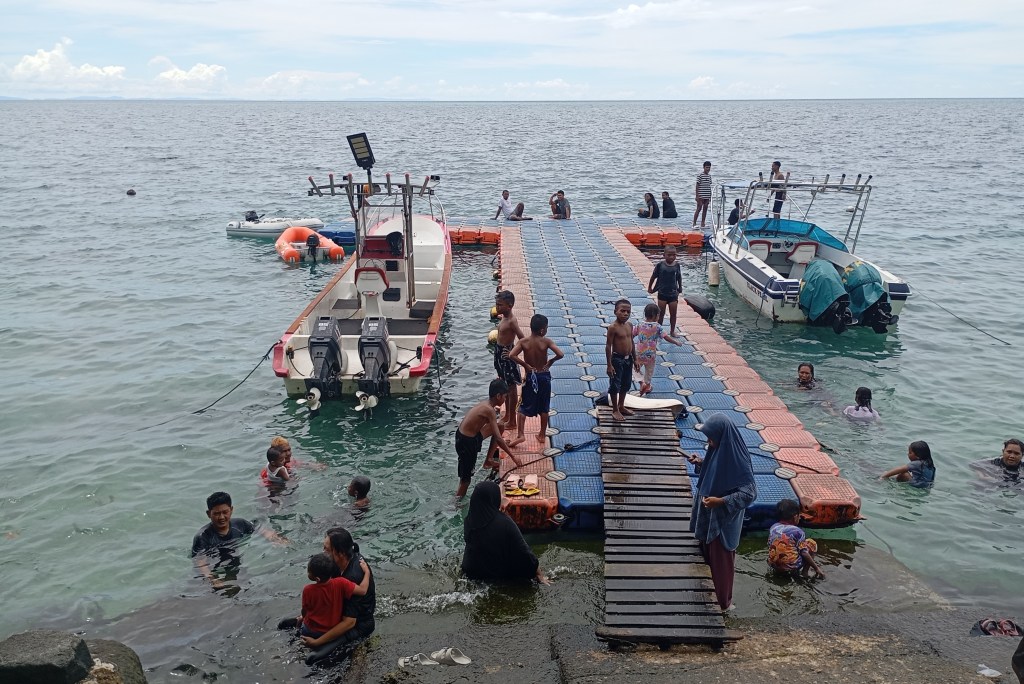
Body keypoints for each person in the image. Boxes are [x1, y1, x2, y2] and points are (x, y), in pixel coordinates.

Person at [686, 413, 757, 610]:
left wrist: (721, 501)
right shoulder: (717, 449)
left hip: (723, 522)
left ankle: (722, 604)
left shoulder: (738, 458)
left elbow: (749, 494)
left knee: (721, 564)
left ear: (721, 436)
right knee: (707, 556)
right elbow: (716, 472)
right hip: (709, 513)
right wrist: (700, 462)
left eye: (711, 437)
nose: (709, 441)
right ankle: (704, 594)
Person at [300, 528, 376, 664]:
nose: (323, 553)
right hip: (337, 616)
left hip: (359, 625)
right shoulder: (336, 564)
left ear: (340, 553)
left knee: (311, 659)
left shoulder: (354, 575)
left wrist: (317, 642)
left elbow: (349, 622)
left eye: (327, 550)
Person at [461, 481, 550, 584]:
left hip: (471, 574)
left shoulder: (469, 521)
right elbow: (524, 553)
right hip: (497, 578)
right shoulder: (505, 524)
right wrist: (539, 574)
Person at [191, 491, 285, 586]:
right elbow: (200, 562)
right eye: (216, 513)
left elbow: (260, 529)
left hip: (235, 563)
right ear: (208, 514)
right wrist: (212, 579)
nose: (221, 517)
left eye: (225, 512)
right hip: (215, 567)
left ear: (231, 510)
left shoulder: (240, 524)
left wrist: (276, 539)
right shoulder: (202, 537)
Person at [278, 552, 371, 639]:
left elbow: (304, 611)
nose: (308, 573)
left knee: (297, 627)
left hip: (311, 630)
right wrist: (367, 573)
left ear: (317, 579)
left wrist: (301, 618)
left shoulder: (308, 590)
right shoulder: (341, 582)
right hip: (332, 629)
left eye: (309, 572)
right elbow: (363, 590)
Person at [455, 379, 520, 498]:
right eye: (505, 397)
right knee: (466, 480)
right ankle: (455, 504)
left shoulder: (488, 405)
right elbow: (499, 439)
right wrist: (513, 457)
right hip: (466, 442)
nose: (505, 400)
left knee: (500, 426)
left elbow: (496, 430)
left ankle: (488, 460)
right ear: (498, 396)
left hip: (470, 437)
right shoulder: (489, 410)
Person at [508, 313, 564, 446]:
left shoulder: (524, 342)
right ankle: (542, 435)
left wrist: (525, 365)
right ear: (542, 330)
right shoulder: (546, 341)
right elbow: (560, 354)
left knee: (523, 406)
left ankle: (521, 435)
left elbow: (512, 355)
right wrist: (551, 361)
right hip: (543, 376)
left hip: (531, 377)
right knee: (544, 407)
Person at [633, 302, 683, 395]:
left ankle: (641, 382)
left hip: (639, 352)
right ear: (655, 315)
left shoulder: (639, 325)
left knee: (636, 368)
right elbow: (665, 337)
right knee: (649, 370)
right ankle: (647, 385)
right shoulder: (657, 327)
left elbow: (631, 334)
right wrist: (675, 342)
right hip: (650, 354)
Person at [493, 290, 525, 433]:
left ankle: (512, 421)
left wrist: (513, 353)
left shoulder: (512, 321)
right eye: (497, 304)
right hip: (500, 354)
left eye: (500, 305)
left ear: (510, 306)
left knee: (511, 389)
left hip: (507, 357)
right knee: (505, 387)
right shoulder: (503, 318)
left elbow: (522, 339)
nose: (497, 307)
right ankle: (508, 416)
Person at [767, 499, 824, 579]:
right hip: (791, 566)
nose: (800, 518)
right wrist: (816, 568)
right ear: (795, 517)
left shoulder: (774, 527)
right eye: (799, 516)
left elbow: (770, 544)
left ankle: (779, 570)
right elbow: (804, 553)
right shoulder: (798, 532)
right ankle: (805, 573)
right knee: (811, 543)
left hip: (773, 564)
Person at [605, 299, 638, 422]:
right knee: (615, 384)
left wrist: (635, 359)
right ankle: (615, 409)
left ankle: (621, 405)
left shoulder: (629, 325)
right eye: (622, 311)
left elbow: (632, 343)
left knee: (626, 383)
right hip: (617, 359)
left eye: (628, 312)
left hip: (628, 359)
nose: (625, 314)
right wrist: (609, 364)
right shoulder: (613, 327)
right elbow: (608, 346)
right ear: (615, 312)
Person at [647, 245, 683, 335]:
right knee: (660, 314)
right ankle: (659, 331)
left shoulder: (677, 265)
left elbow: (679, 277)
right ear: (664, 255)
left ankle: (672, 331)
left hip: (673, 294)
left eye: (674, 255)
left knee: (673, 314)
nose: (672, 257)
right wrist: (650, 287)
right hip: (662, 293)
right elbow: (653, 276)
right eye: (669, 255)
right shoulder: (660, 265)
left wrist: (680, 287)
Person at [693, 161, 713, 228]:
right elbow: (697, 185)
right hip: (701, 195)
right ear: (704, 167)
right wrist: (697, 195)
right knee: (699, 208)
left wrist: (710, 196)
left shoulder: (709, 176)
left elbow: (709, 186)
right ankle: (694, 223)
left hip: (707, 195)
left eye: (709, 168)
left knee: (705, 209)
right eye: (707, 167)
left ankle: (703, 223)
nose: (708, 169)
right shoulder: (700, 175)